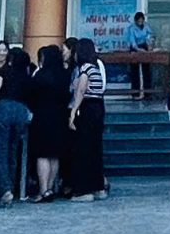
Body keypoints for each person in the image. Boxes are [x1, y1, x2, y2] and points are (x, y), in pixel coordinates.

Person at [0, 46, 35, 203]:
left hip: (4, 108)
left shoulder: (4, 72)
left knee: (0, 150)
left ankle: (4, 189)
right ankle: (13, 186)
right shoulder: (27, 77)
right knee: (13, 149)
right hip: (21, 111)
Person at [27, 43, 72, 201]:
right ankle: (50, 188)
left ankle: (43, 190)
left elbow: (31, 95)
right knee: (54, 155)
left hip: (42, 118)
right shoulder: (65, 75)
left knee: (42, 155)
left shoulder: (40, 76)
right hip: (60, 118)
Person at [67, 38, 110, 201]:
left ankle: (84, 190)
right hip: (98, 108)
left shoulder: (84, 69)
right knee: (95, 149)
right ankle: (98, 187)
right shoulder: (95, 68)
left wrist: (73, 111)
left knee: (83, 149)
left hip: (87, 108)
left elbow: (81, 91)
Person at [123, 12, 154, 97]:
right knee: (135, 72)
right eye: (139, 21)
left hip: (144, 46)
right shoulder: (131, 28)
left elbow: (150, 35)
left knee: (146, 71)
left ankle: (148, 94)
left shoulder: (146, 26)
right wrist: (138, 50)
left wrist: (150, 44)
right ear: (136, 21)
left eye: (142, 21)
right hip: (135, 48)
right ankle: (135, 94)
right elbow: (132, 42)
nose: (140, 22)